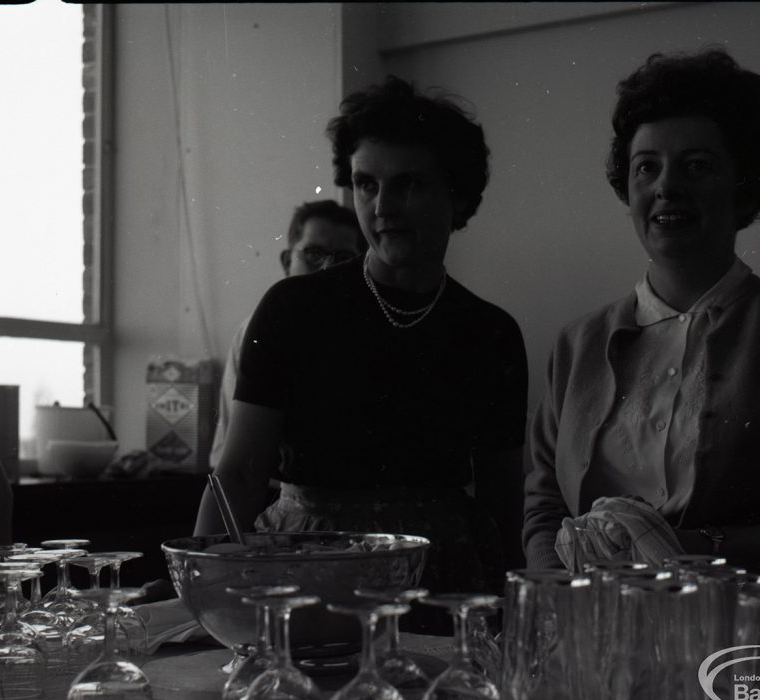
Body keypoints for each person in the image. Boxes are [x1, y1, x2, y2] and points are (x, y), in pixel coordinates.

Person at [523, 49, 760, 579]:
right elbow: (545, 510)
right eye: (647, 168)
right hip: (590, 634)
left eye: (697, 166)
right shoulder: (577, 344)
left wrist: (692, 550)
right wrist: (559, 607)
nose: (667, 185)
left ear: (743, 186)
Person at [194, 76, 528, 621]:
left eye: (410, 184)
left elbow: (503, 505)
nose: (383, 207)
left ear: (458, 195)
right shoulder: (291, 309)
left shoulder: (490, 332)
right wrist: (206, 606)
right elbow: (237, 475)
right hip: (304, 574)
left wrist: (518, 618)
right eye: (366, 185)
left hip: (440, 579)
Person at [209, 200, 365, 468]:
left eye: (343, 259)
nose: (327, 269)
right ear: (286, 261)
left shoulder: (368, 333)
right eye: (313, 254)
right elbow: (233, 460)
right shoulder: (255, 331)